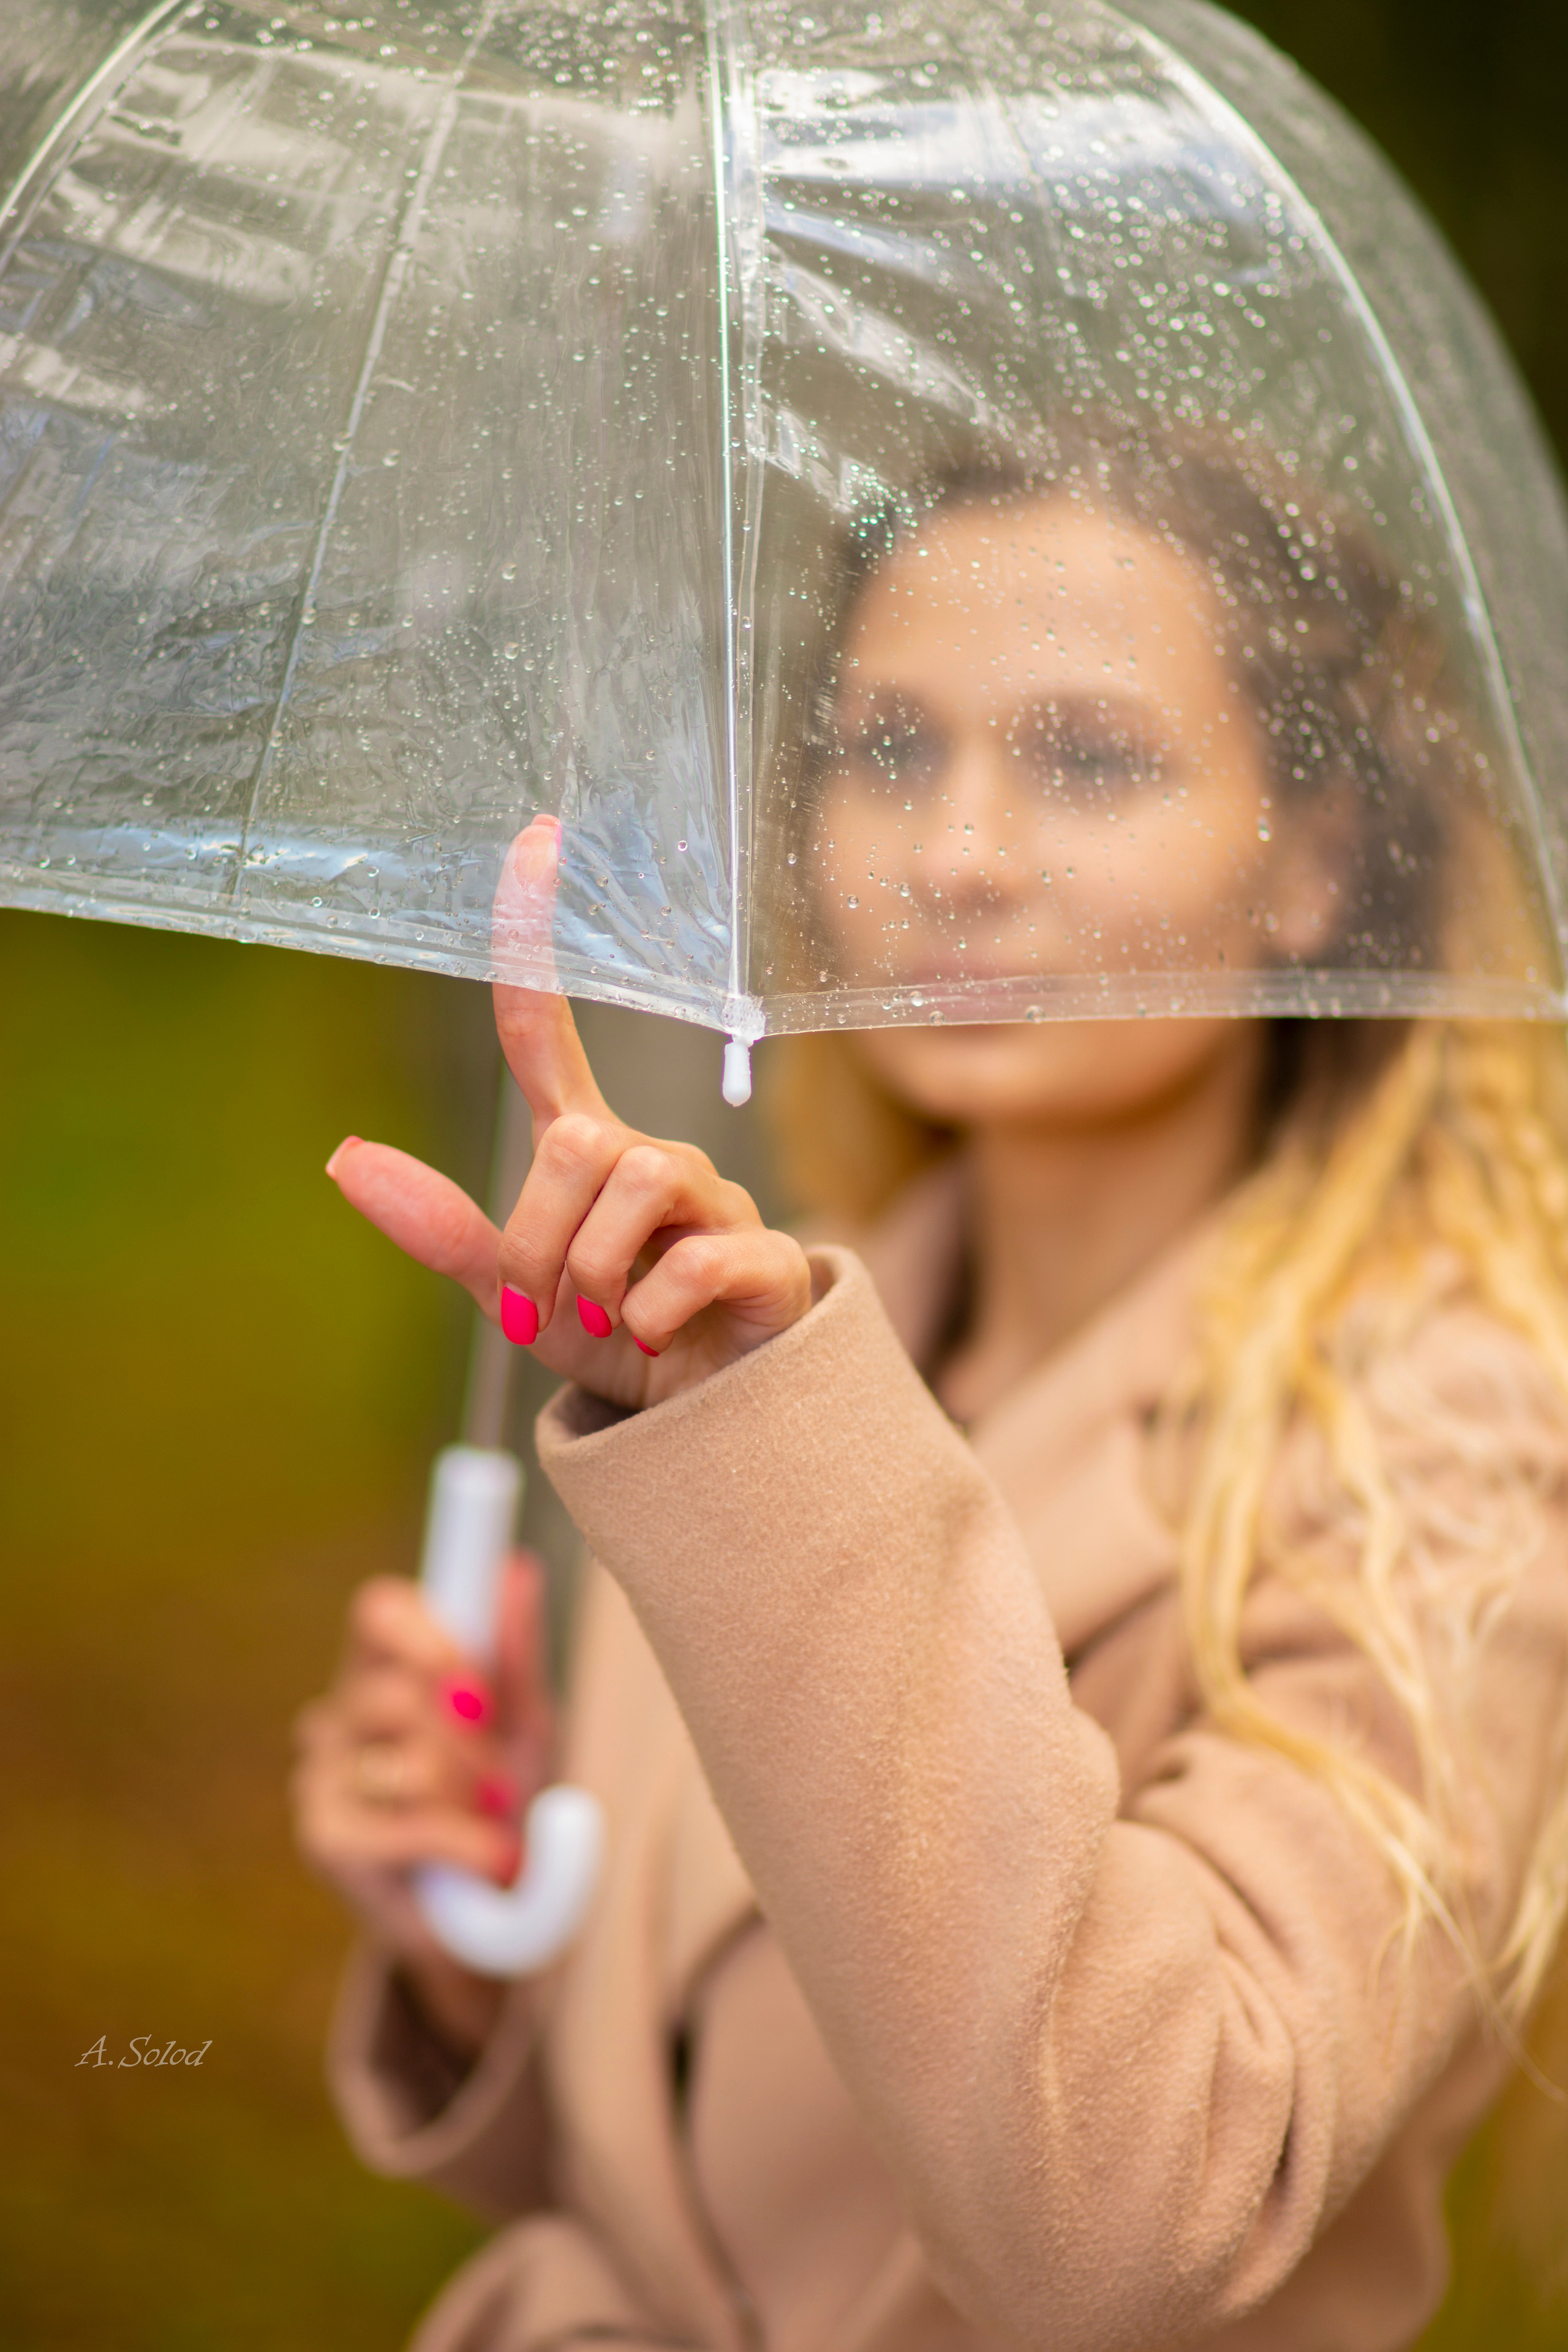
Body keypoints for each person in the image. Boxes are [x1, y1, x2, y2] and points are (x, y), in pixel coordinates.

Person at [293, 424, 1568, 2352]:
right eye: (891, 751)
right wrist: (480, 1944)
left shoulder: (1455, 1446)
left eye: (1090, 757)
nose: (957, 856)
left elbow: (1133, 2211)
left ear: (1311, 864)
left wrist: (772, 1428)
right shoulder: (794, 1352)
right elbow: (737, 2177)